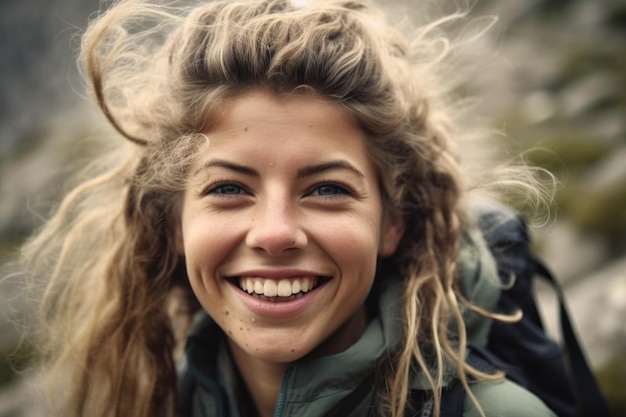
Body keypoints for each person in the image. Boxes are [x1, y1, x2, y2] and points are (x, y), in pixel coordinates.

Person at [21, 0, 558, 416]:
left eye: (326, 189)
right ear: (173, 223)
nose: (275, 234)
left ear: (392, 223)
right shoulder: (159, 401)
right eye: (229, 189)